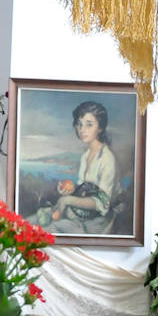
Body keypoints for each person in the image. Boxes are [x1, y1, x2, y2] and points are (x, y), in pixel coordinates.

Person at [36, 101, 118, 235]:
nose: (82, 129)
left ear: (100, 128)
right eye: (79, 124)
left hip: (98, 220)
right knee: (40, 221)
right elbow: (84, 190)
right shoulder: (85, 156)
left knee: (50, 230)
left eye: (89, 124)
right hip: (81, 213)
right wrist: (69, 191)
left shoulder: (107, 158)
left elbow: (103, 203)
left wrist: (68, 200)